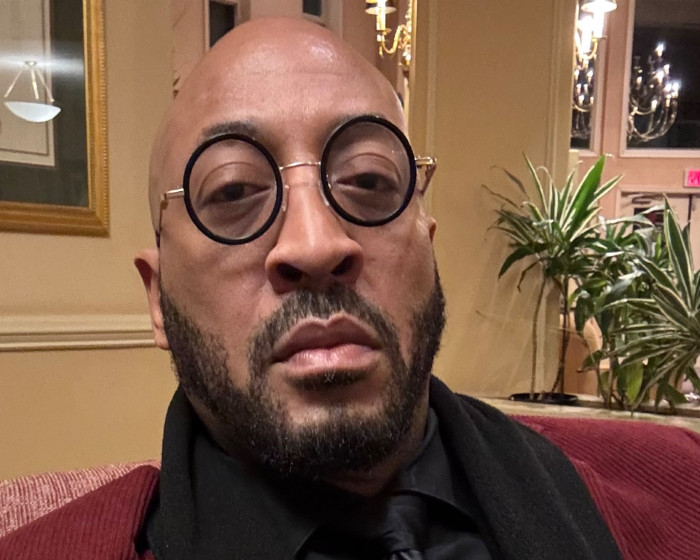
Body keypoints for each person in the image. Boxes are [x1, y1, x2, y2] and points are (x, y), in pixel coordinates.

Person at [2, 17, 700, 560]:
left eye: (368, 180)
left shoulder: (675, 493)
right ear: (158, 299)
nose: (315, 244)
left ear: (428, 247)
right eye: (234, 191)